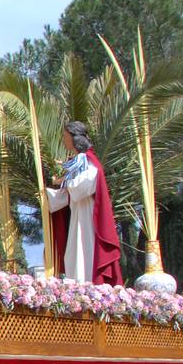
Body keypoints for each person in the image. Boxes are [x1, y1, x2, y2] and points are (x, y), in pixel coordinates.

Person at [44, 121, 123, 285]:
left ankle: (89, 284)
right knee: (74, 252)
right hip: (77, 215)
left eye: (66, 136)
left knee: (85, 250)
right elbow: (67, 195)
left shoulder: (88, 161)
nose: (64, 140)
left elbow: (82, 186)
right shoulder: (77, 161)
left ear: (75, 138)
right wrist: (46, 194)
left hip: (88, 216)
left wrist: (63, 182)